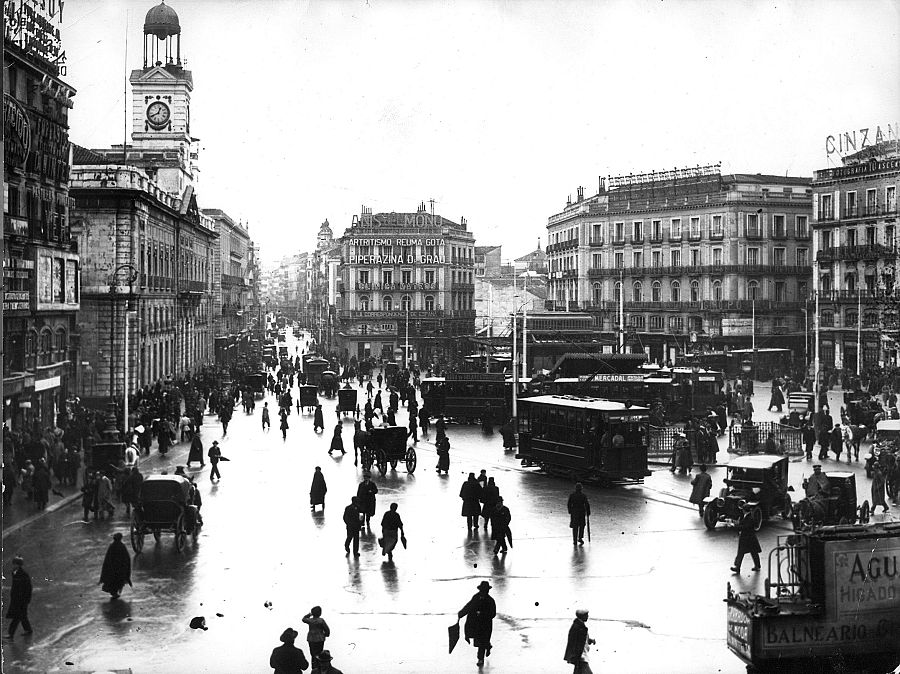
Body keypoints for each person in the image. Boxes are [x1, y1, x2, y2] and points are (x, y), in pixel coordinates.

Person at [457, 580, 497, 667]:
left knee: (482, 642)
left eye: (485, 590)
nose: (483, 592)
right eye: (482, 590)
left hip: (486, 625)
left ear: (487, 591)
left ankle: (480, 659)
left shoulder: (490, 601)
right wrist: (461, 613)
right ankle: (488, 646)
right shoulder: (475, 597)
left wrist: (482, 614)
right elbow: (469, 606)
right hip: (477, 625)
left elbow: (493, 613)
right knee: (480, 641)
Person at [99, 533, 132, 600]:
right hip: (120, 568)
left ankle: (114, 593)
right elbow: (126, 558)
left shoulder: (112, 546)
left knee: (113, 580)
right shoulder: (122, 546)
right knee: (118, 581)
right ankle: (114, 593)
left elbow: (107, 559)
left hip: (112, 568)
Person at [6, 556, 32, 638]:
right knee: (22, 616)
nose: (13, 565)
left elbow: (28, 587)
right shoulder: (15, 573)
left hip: (21, 600)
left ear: (18, 565)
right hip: (17, 599)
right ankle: (28, 630)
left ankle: (11, 633)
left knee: (17, 616)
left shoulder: (22, 574)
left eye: (15, 564)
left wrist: (26, 599)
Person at [564, 609, 596, 674]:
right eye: (586, 615)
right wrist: (577, 656)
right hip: (581, 656)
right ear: (582, 616)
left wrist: (590, 640)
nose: (588, 616)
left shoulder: (579, 625)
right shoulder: (578, 627)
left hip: (580, 656)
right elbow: (574, 642)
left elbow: (582, 639)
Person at [731, 506, 762, 573]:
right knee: (753, 552)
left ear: (744, 510)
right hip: (751, 538)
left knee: (741, 553)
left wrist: (735, 526)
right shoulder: (749, 516)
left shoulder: (749, 518)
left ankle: (737, 567)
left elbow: (745, 527)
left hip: (746, 538)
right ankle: (757, 565)